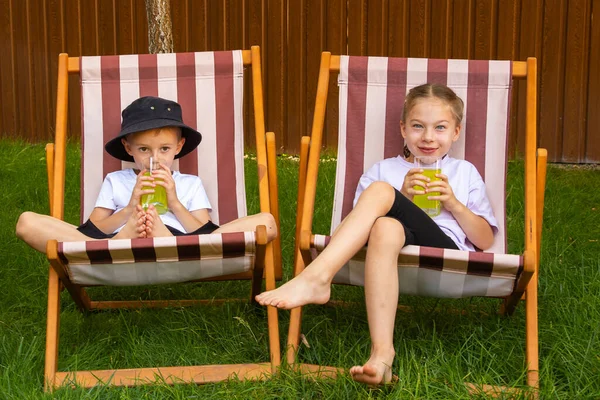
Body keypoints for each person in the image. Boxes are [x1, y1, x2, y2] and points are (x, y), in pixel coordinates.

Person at [255, 84, 497, 385]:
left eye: (441, 127)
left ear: (456, 132)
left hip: (444, 250)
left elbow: (485, 240)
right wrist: (401, 200)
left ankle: (316, 279)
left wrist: (454, 203)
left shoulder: (464, 172)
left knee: (382, 194)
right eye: (418, 126)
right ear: (403, 129)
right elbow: (352, 228)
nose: (428, 137)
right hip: (387, 245)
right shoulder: (382, 170)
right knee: (384, 223)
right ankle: (381, 357)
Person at [16, 96, 277, 253]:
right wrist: (130, 208)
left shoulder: (190, 184)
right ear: (128, 149)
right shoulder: (115, 181)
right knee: (27, 222)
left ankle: (160, 234)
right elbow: (93, 230)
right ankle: (128, 238)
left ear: (179, 147)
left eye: (164, 149)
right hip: (116, 239)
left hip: (179, 241)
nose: (155, 158)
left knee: (267, 221)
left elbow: (204, 233)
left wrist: (174, 201)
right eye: (143, 149)